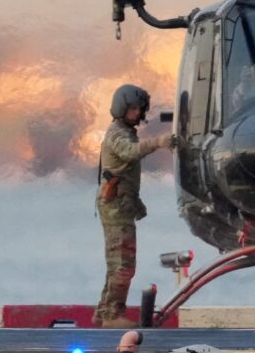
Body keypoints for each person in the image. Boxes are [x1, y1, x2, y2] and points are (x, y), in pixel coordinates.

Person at [93, 85, 175, 329]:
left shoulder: (122, 131)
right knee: (124, 265)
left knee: (115, 262)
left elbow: (125, 171)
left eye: (139, 109)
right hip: (116, 205)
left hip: (120, 203)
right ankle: (112, 315)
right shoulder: (119, 134)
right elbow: (130, 153)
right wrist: (159, 142)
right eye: (132, 109)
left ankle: (103, 311)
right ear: (121, 109)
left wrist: (136, 203)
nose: (136, 114)